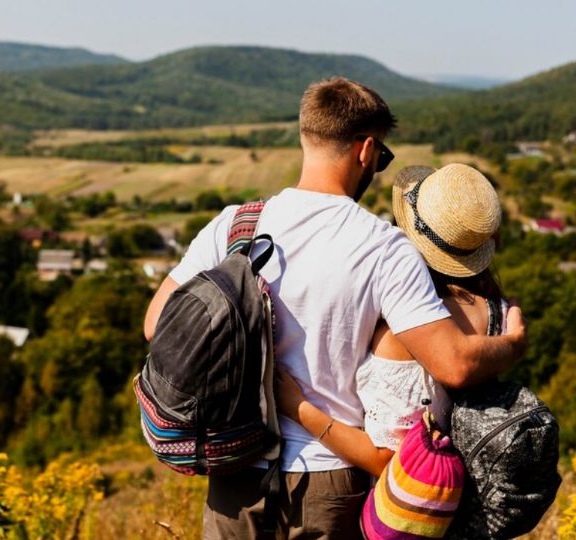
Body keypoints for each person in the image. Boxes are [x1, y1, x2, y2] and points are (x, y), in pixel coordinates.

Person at [143, 77, 527, 539]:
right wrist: (514, 343)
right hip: (329, 480)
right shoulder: (384, 248)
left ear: (306, 137)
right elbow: (455, 364)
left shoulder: (233, 225)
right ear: (365, 151)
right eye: (382, 157)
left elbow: (156, 325)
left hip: (235, 470)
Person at [275, 162, 508, 483]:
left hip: (411, 505)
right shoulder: (500, 310)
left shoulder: (405, 334)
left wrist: (297, 407)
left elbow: (388, 461)